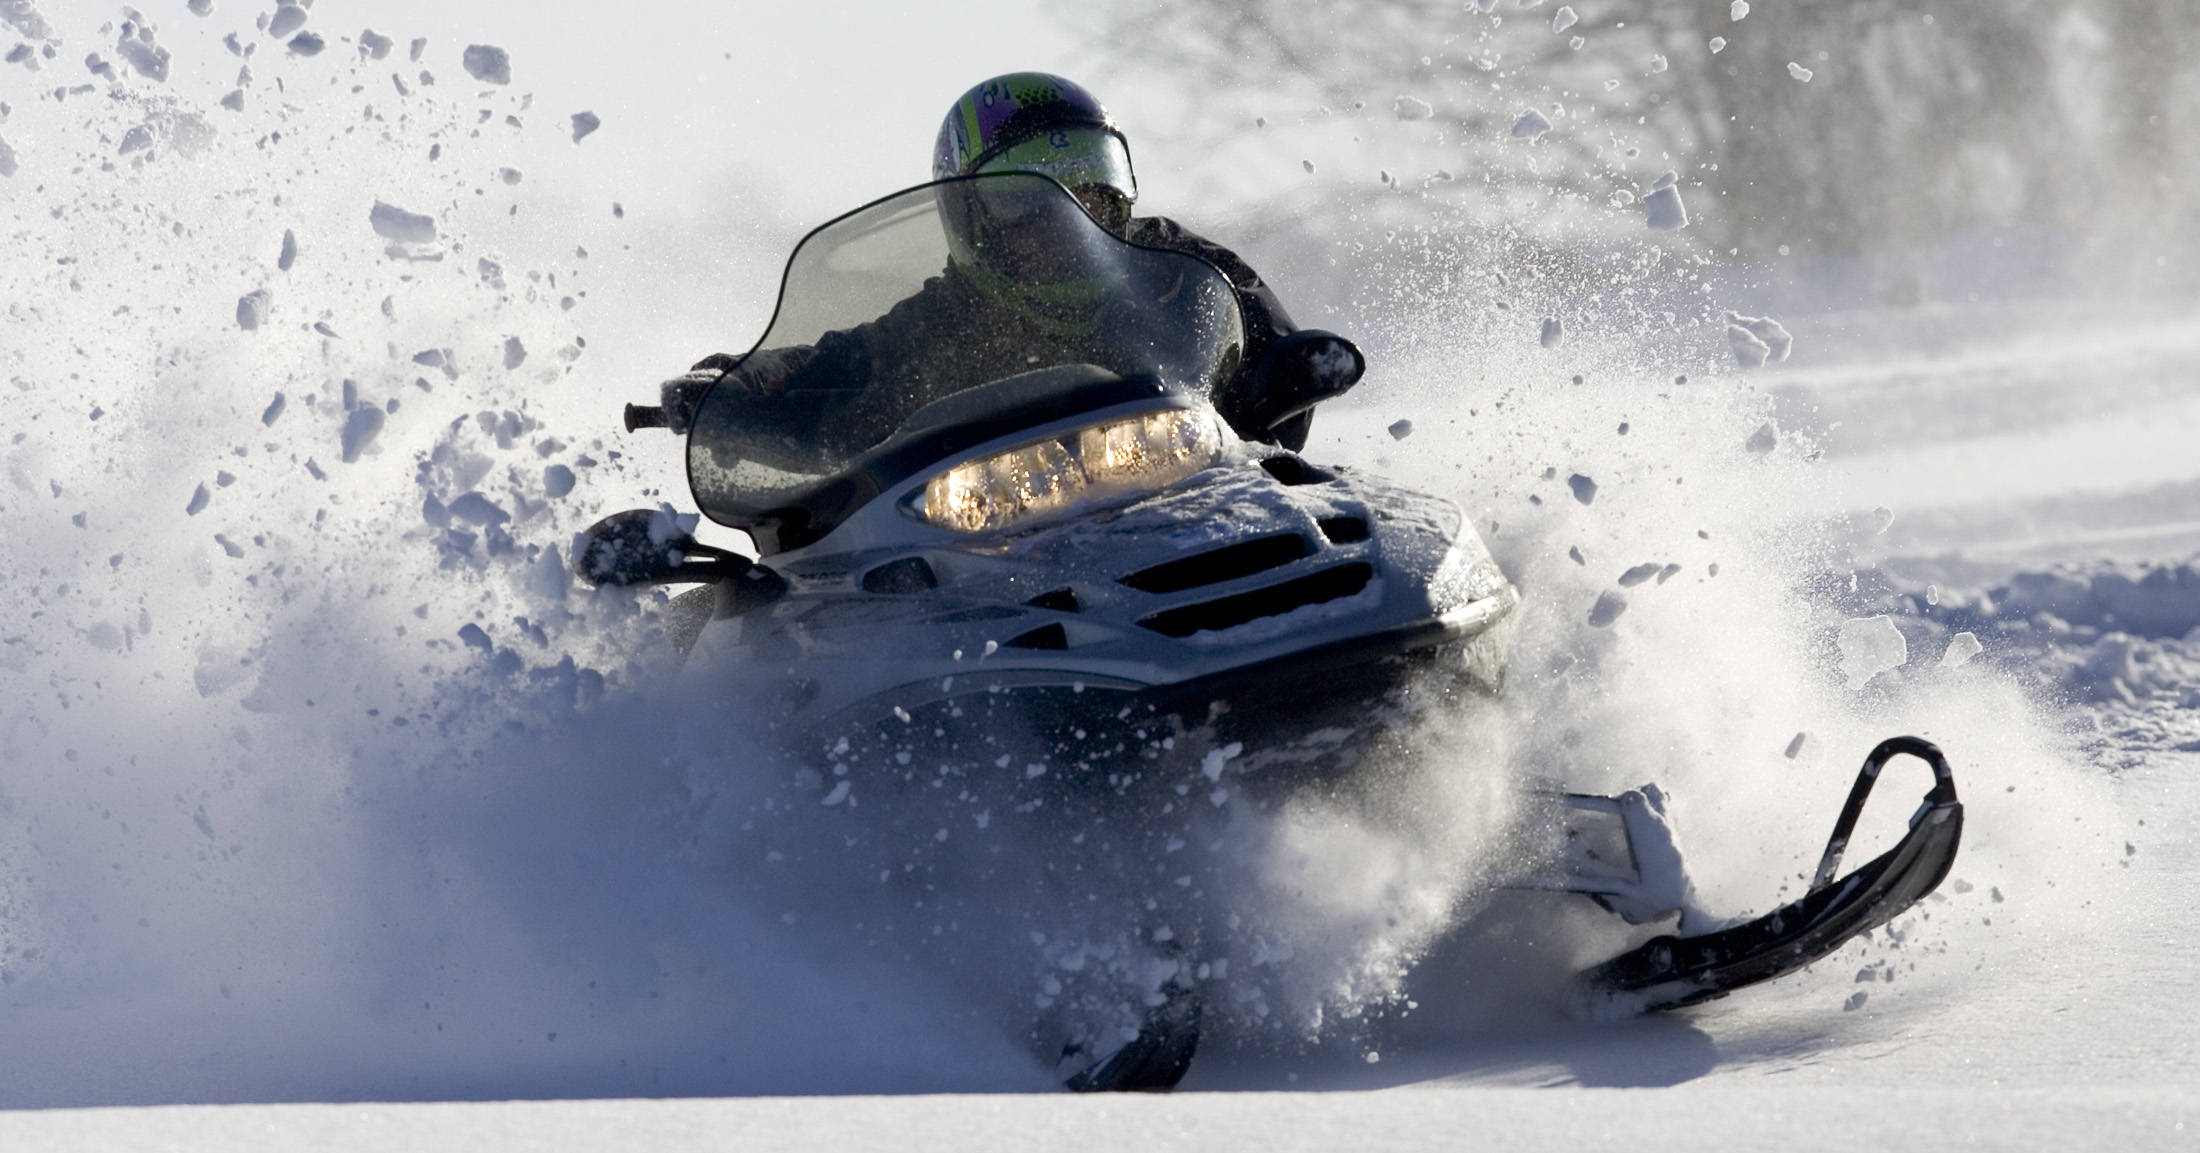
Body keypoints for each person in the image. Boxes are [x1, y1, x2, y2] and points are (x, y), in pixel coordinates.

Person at [657, 72, 1359, 463]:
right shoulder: (941, 319)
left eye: (1093, 178)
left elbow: (1270, 352)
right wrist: (735, 384)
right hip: (1011, 563)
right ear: (972, 217)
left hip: (1197, 500)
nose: (1072, 209)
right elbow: (832, 367)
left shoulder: (1181, 269)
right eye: (1030, 194)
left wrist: (1276, 387)